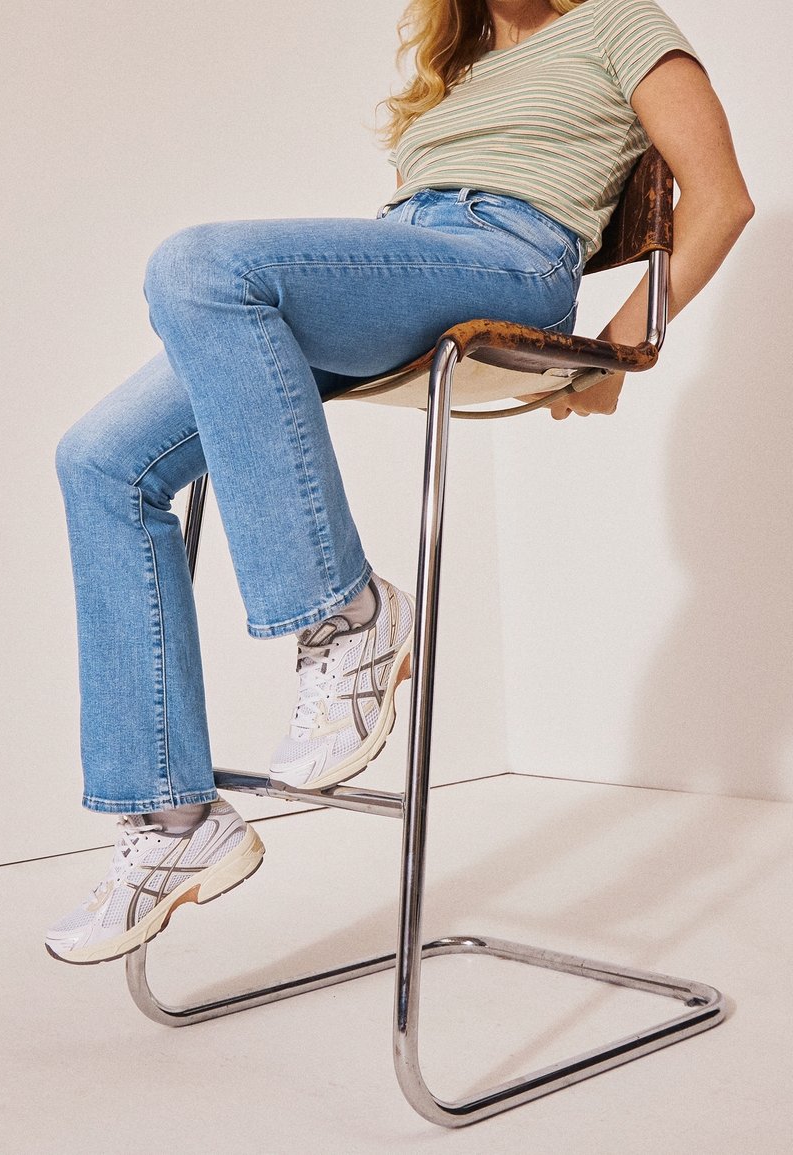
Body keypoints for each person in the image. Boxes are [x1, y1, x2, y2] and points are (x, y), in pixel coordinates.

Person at [46, 0, 753, 965]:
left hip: (511, 258)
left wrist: (619, 347)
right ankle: (174, 824)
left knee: (198, 264)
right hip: (416, 250)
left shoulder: (621, 22)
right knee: (99, 461)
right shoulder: (455, 72)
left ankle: (349, 619)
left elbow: (720, 196)